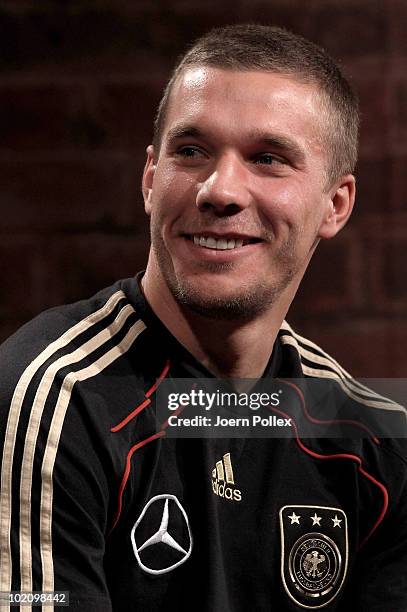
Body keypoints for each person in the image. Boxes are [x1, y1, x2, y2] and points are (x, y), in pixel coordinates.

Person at [0, 23, 406, 612]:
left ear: (335, 205)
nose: (220, 190)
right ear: (149, 178)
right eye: (191, 151)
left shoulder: (374, 445)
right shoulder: (50, 403)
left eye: (268, 159)